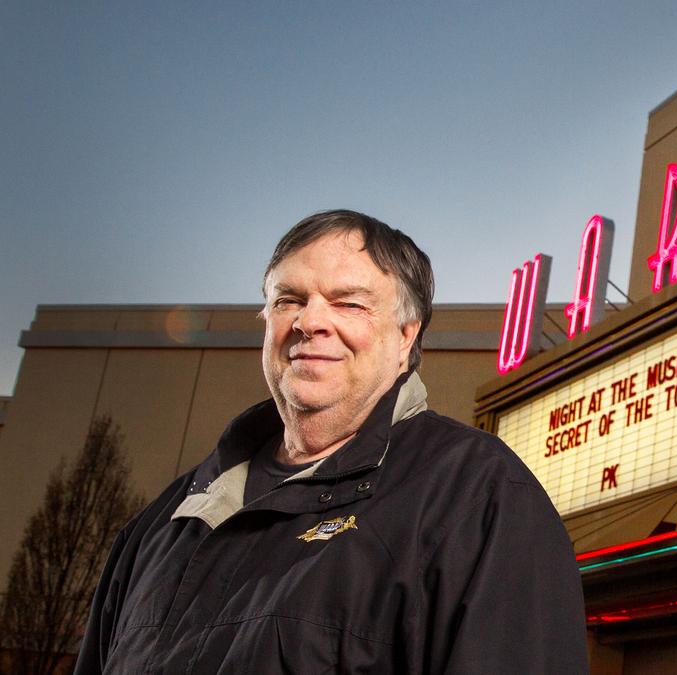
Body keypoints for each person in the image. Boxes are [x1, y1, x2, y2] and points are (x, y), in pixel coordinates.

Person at [74, 210, 589, 674]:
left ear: (406, 335)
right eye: (289, 300)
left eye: (348, 303)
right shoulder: (163, 523)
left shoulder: (479, 496)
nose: (310, 321)